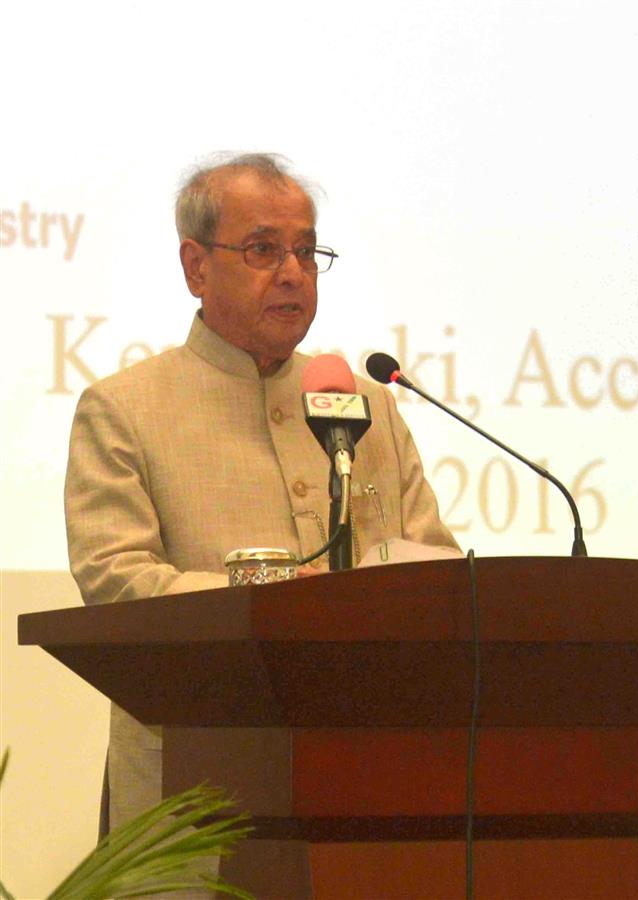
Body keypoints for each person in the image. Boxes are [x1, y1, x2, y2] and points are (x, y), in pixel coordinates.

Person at [64, 153, 459, 834]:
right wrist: (270, 600)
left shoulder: (367, 404)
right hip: (191, 796)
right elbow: (117, 584)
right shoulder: (124, 408)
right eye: (262, 249)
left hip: (372, 780)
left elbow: (435, 567)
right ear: (195, 267)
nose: (292, 274)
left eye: (306, 253)